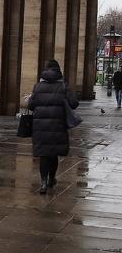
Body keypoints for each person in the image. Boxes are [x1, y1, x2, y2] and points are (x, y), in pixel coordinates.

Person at [29, 60, 78, 194]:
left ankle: (43, 183)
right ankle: (51, 179)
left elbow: (31, 106)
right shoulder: (63, 86)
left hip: (40, 127)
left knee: (44, 155)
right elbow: (74, 103)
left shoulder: (38, 86)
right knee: (53, 153)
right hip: (58, 126)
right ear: (58, 70)